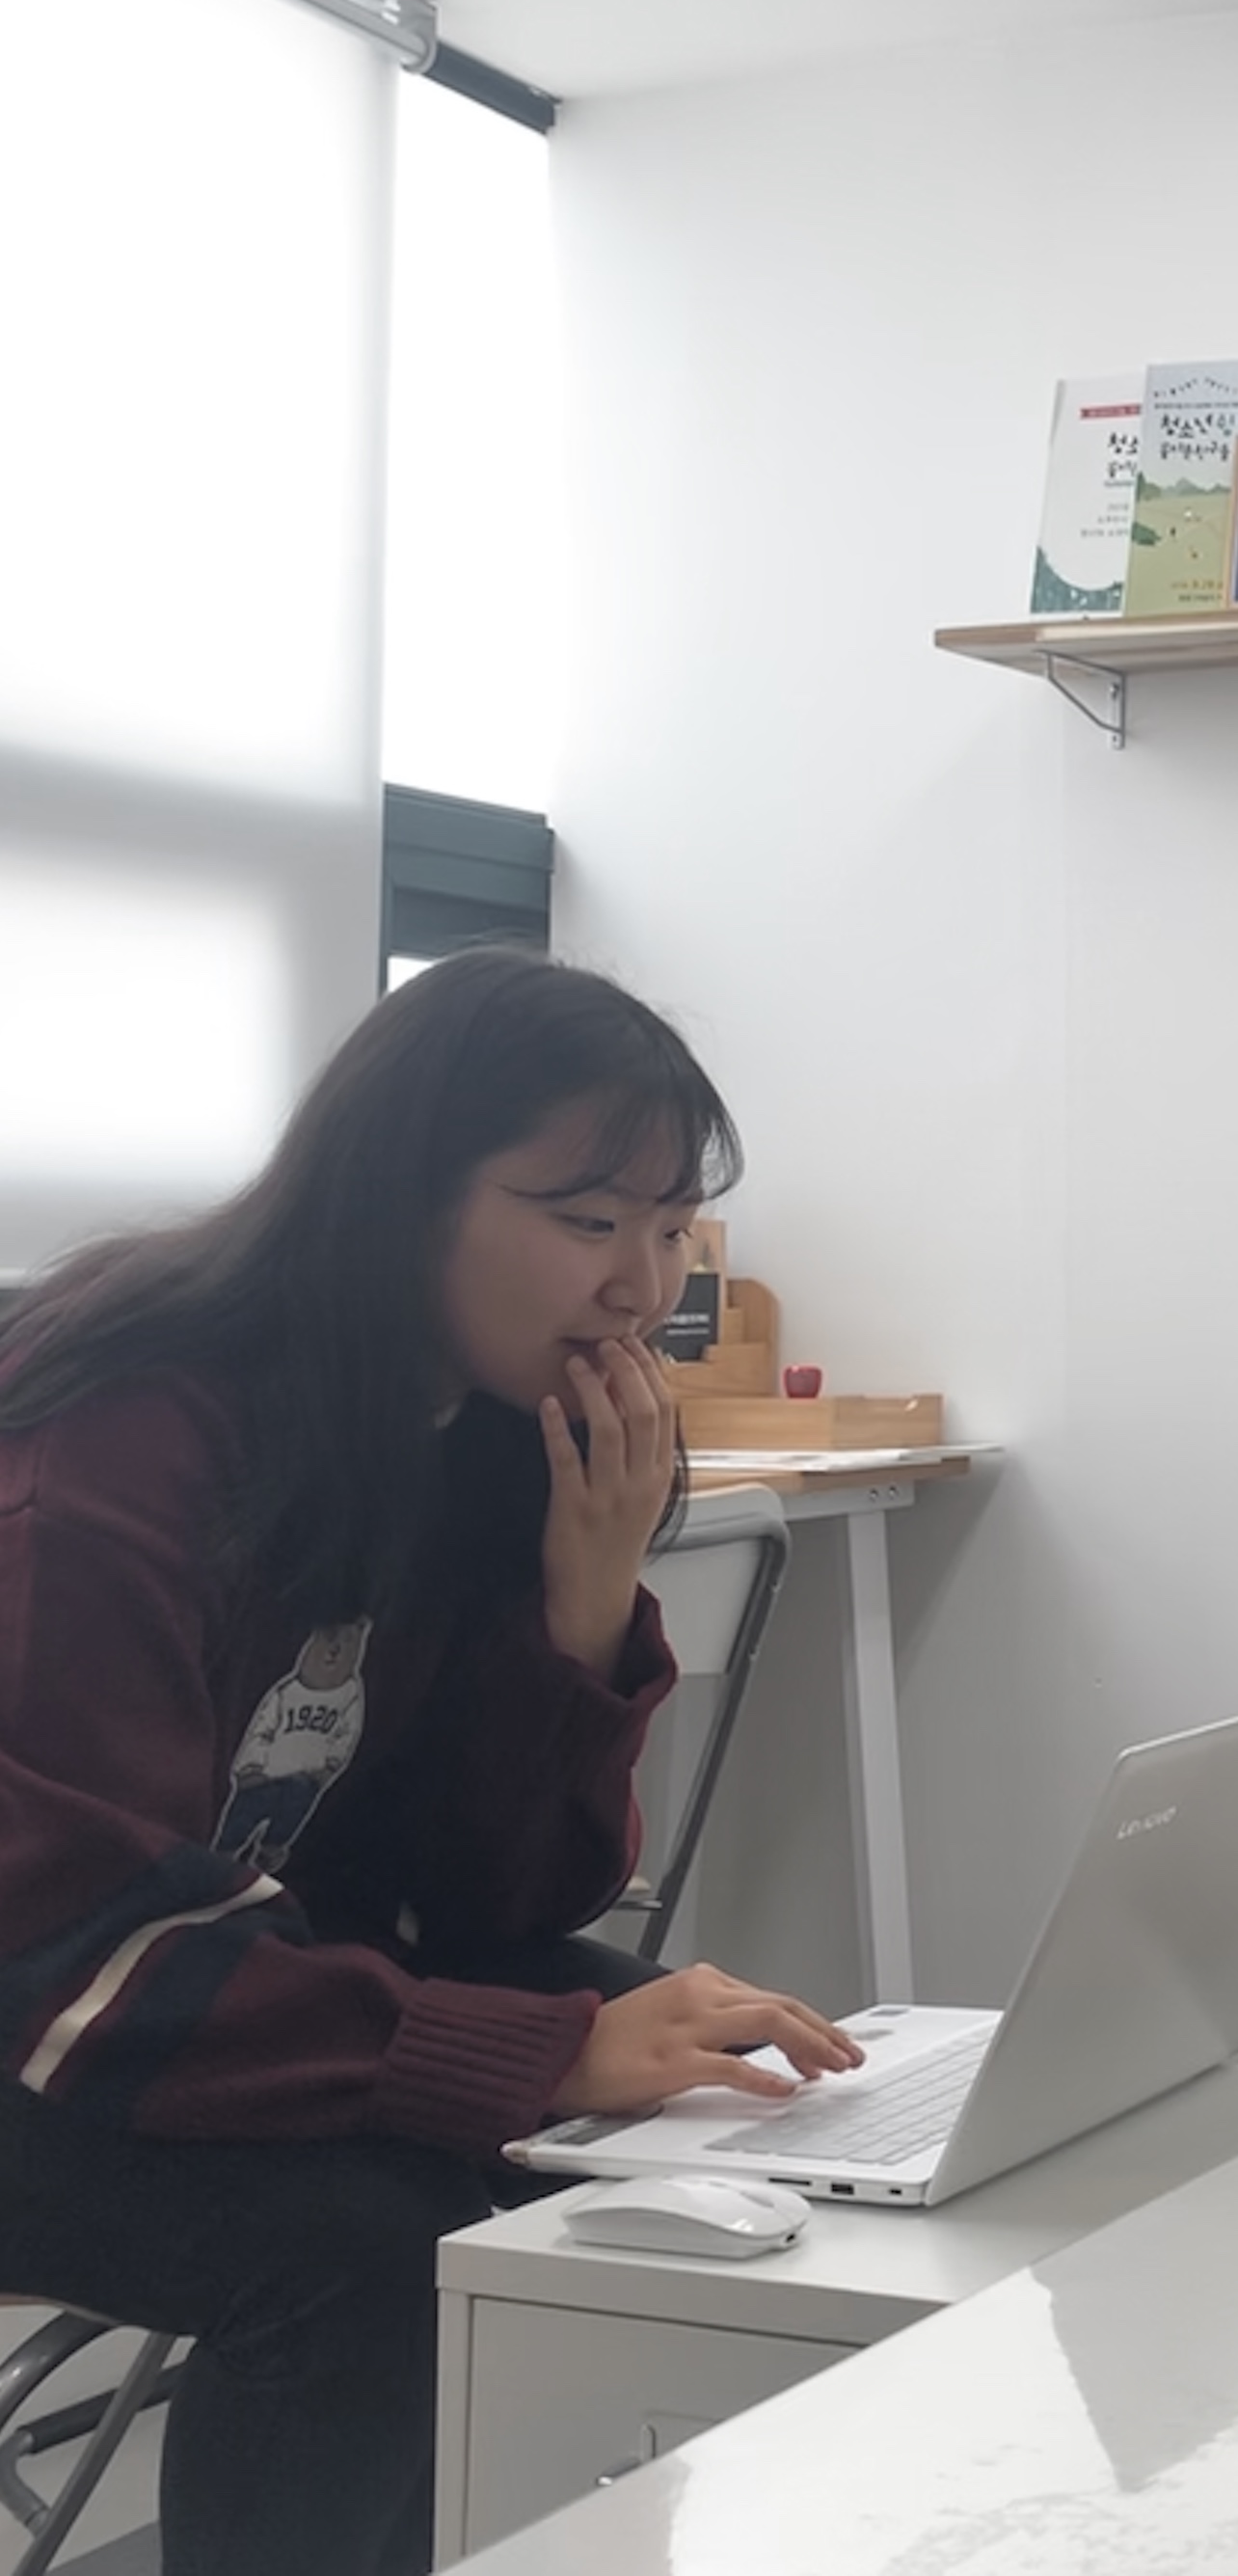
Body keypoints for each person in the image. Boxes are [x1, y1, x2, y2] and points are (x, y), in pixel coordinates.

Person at [0, 947, 862, 2576]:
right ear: (399, 1196)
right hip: (46, 2005)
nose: (641, 1286)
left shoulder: (464, 1428)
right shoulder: (122, 1438)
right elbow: (74, 1951)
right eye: (587, 1220)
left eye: (671, 1227)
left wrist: (584, 1605)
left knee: (664, 2090)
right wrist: (538, 2054)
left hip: (170, 1985)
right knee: (374, 2248)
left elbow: (487, 1902)